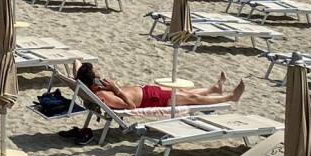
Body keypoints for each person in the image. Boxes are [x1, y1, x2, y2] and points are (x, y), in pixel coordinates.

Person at [74, 62, 244, 109]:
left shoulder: (97, 87)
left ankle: (214, 89)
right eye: (98, 75)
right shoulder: (102, 95)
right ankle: (231, 97)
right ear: (93, 82)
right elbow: (131, 106)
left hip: (148, 91)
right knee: (192, 98)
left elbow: (77, 62)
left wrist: (82, 76)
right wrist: (116, 89)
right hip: (152, 100)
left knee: (184, 91)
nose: (102, 76)